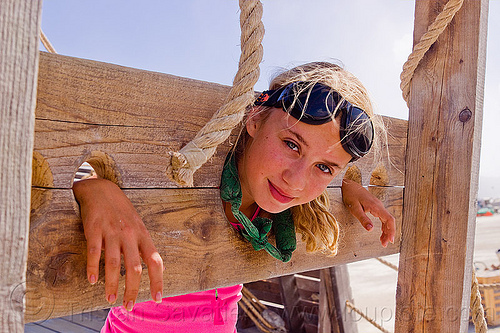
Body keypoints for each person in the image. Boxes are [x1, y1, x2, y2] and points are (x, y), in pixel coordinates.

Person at [72, 61, 396, 332]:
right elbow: (80, 165)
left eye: (324, 168)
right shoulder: (181, 168)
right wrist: (91, 186)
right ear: (255, 118)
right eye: (292, 144)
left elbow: (332, 185)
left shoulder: (289, 207)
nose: (296, 182)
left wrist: (350, 186)